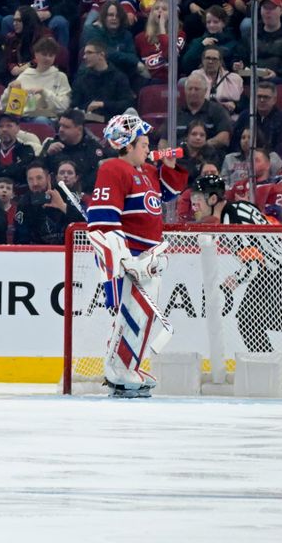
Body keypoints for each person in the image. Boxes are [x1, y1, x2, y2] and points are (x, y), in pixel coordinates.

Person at [87, 113, 188, 397]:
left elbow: (164, 196)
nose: (148, 148)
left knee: (143, 319)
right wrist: (122, 260)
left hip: (149, 260)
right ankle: (116, 370)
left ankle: (129, 366)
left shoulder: (145, 172)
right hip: (131, 259)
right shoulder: (113, 169)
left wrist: (168, 167)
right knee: (127, 317)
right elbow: (103, 222)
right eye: (143, 143)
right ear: (127, 144)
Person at [191, 174, 282, 352]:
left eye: (198, 199)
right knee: (250, 321)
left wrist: (232, 282)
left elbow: (253, 265)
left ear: (212, 199)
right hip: (268, 271)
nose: (195, 205)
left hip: (280, 270)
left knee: (263, 319)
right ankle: (267, 363)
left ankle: (268, 362)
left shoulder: (234, 220)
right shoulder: (232, 211)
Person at [232, 0, 282, 84]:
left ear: (281, 10)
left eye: (272, 8)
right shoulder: (251, 33)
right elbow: (238, 55)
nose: (268, 11)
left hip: (280, 77)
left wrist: (278, 73)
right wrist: (238, 65)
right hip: (252, 76)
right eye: (265, 8)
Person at [40, 108, 116, 193]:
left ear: (79, 129)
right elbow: (36, 173)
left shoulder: (92, 148)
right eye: (60, 125)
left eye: (66, 127)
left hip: (85, 196)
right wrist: (46, 155)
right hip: (55, 194)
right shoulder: (51, 145)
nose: (61, 129)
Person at [0, 36, 70, 124]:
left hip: (46, 118)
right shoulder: (25, 76)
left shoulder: (60, 77)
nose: (47, 58)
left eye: (51, 55)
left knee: (40, 120)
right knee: (1, 122)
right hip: (22, 117)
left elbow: (63, 106)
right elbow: (6, 108)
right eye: (44, 54)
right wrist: (10, 91)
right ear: (36, 55)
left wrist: (44, 92)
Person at [14, 161, 85, 245]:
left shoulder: (67, 194)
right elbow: (20, 237)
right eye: (30, 179)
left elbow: (86, 223)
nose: (35, 183)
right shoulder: (24, 203)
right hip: (38, 253)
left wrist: (63, 206)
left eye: (39, 178)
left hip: (69, 251)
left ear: (48, 178)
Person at [158, 72, 232, 152]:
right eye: (190, 89)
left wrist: (200, 147)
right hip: (179, 158)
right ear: (185, 90)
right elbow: (163, 140)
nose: (193, 92)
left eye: (197, 89)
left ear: (205, 91)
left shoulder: (217, 110)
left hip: (208, 157)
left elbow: (224, 137)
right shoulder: (175, 112)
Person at [71, 40, 135, 121]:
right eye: (84, 53)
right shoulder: (81, 78)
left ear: (101, 55)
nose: (84, 57)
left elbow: (127, 103)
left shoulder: (119, 77)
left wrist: (103, 104)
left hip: (114, 120)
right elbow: (75, 104)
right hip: (88, 120)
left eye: (89, 53)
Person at [230, 81, 282, 157]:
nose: (262, 100)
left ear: (274, 100)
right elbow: (235, 142)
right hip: (244, 159)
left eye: (266, 97)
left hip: (272, 160)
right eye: (259, 96)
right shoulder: (245, 116)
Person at [0, 113, 35, 193]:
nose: (4, 129)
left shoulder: (26, 151)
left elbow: (22, 175)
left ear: (17, 128)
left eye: (9, 126)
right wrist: (12, 170)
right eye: (1, 126)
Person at [134, 0, 185, 84]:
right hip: (148, 81)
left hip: (170, 82)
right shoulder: (140, 38)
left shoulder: (179, 34)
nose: (160, 11)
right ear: (151, 13)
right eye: (156, 9)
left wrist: (162, 27)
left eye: (164, 9)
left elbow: (170, 55)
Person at [180, 5, 238, 76]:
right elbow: (186, 65)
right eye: (208, 22)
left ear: (224, 23)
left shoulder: (233, 42)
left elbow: (235, 60)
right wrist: (201, 46)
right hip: (200, 79)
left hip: (223, 79)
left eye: (215, 22)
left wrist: (235, 65)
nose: (211, 25)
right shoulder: (197, 42)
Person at [189, 44, 243, 116]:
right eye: (208, 58)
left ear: (220, 62)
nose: (210, 62)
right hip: (200, 115)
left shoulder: (233, 79)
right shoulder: (195, 76)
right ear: (202, 60)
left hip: (228, 115)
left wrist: (234, 105)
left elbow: (241, 103)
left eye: (214, 59)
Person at [0, 176, 16, 243]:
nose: (4, 190)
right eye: (1, 187)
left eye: (8, 188)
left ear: (13, 195)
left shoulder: (19, 210)